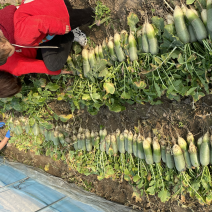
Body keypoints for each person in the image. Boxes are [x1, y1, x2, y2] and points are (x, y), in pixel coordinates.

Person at [0, 0, 94, 98]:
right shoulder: (5, 33)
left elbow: (33, 66)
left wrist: (58, 71)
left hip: (53, 14)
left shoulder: (11, 64)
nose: (9, 56)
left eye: (8, 54)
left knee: (53, 65)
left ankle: (80, 24)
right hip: (33, 11)